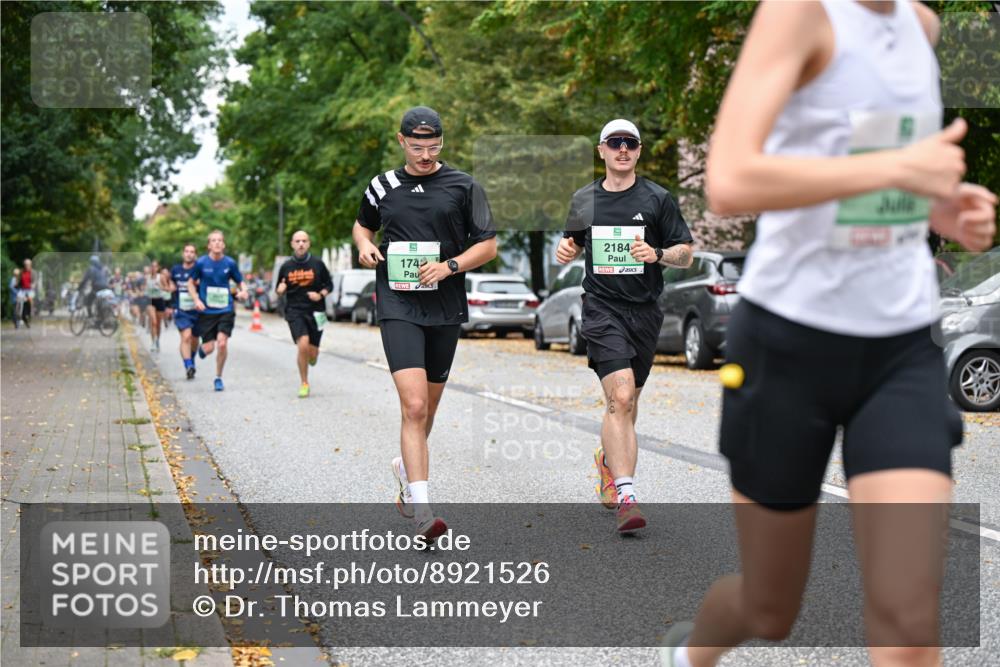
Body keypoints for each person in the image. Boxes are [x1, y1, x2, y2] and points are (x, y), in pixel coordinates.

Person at [660, 2, 997, 667]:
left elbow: (887, 175)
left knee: (910, 617)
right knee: (769, 608)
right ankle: (691, 653)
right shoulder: (802, 14)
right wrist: (894, 171)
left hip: (901, 346)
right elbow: (730, 179)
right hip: (788, 343)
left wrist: (945, 211)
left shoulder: (920, 26)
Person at [353, 106, 497, 540]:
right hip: (398, 304)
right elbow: (362, 227)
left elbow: (488, 246)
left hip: (444, 307)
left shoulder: (464, 186)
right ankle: (422, 512)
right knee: (413, 406)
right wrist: (364, 246)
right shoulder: (382, 186)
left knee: (428, 410)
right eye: (417, 148)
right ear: (401, 141)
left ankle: (405, 468)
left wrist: (449, 266)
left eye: (433, 147)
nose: (425, 156)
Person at [556, 119, 694, 534]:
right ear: (601, 150)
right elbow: (572, 242)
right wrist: (565, 249)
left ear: (638, 151)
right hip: (601, 308)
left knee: (628, 403)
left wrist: (658, 254)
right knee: (620, 395)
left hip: (644, 312)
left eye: (630, 143)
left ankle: (607, 459)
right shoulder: (584, 200)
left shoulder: (657, 198)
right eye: (614, 143)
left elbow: (686, 253)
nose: (622, 149)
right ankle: (627, 497)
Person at [187, 230, 248, 392]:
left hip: (225, 309)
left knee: (222, 343)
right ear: (209, 245)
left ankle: (218, 377)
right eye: (213, 240)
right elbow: (190, 283)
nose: (217, 243)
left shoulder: (230, 263)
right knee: (209, 348)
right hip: (207, 312)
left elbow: (241, 282)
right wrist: (196, 300)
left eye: (220, 240)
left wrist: (244, 291)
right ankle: (202, 349)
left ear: (224, 244)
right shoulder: (201, 263)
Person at [276, 230, 333, 398]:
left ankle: (313, 356)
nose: (301, 244)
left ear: (308, 244)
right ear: (292, 244)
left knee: (312, 352)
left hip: (317, 311)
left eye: (304, 241)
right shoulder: (286, 266)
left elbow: (329, 285)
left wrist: (320, 294)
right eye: (297, 241)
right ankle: (304, 383)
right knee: (303, 345)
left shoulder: (318, 264)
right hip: (295, 311)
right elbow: (279, 288)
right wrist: (280, 290)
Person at [171, 244, 200, 380]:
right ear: (183, 254)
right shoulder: (175, 270)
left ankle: (191, 359)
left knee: (195, 339)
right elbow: (171, 286)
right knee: (186, 336)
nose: (189, 254)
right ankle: (188, 366)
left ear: (195, 255)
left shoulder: (199, 269)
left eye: (192, 252)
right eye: (187, 251)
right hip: (181, 309)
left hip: (197, 310)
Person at [18, 258, 34, 327]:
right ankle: (19, 315)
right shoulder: (21, 272)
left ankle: (30, 314)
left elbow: (35, 281)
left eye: (28, 264)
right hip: (22, 290)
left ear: (30, 265)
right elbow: (18, 281)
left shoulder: (33, 272)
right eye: (25, 264)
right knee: (19, 301)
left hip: (30, 290)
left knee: (30, 301)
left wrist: (33, 285)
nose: (27, 266)